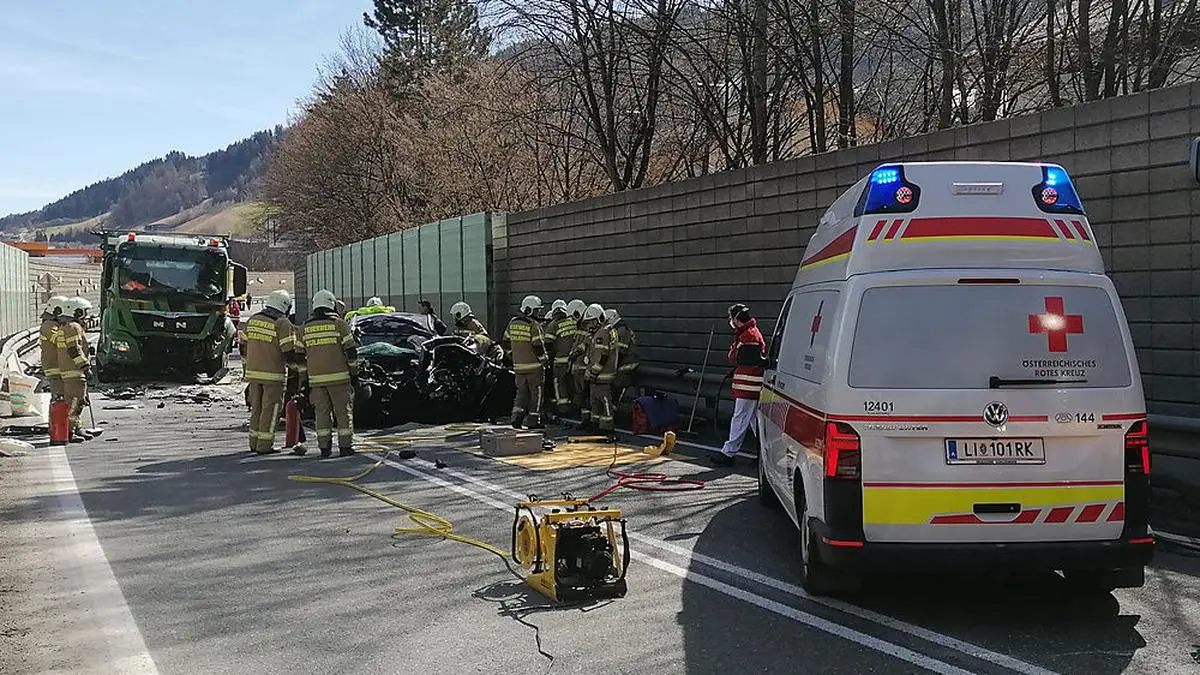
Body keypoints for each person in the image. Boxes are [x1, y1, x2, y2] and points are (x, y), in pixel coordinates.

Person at [298, 290, 360, 457]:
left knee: (322, 414)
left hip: (316, 381)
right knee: (343, 413)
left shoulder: (304, 328)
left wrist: (304, 381)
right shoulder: (339, 324)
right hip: (340, 378)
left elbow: (299, 358)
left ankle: (324, 448)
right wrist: (354, 374)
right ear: (331, 304)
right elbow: (351, 352)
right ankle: (345, 447)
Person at [242, 289, 299, 455]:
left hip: (253, 373)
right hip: (273, 375)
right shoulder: (282, 323)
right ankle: (265, 445)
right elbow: (288, 353)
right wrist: (299, 370)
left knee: (256, 409)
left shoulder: (253, 319)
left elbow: (243, 344)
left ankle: (254, 442)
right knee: (270, 409)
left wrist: (246, 366)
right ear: (285, 306)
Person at [713, 303, 767, 466]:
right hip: (750, 383)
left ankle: (729, 453)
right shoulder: (749, 333)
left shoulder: (748, 336)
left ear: (737, 319)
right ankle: (764, 454)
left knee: (740, 417)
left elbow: (734, 356)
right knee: (752, 420)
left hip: (748, 384)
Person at [501, 295, 548, 429]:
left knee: (521, 393)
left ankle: (516, 418)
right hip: (534, 367)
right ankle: (533, 421)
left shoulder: (512, 323)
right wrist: (545, 361)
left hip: (518, 367)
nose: (539, 313)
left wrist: (513, 357)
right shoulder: (534, 325)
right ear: (531, 310)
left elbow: (505, 342)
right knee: (536, 394)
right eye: (537, 310)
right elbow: (538, 346)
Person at [56, 297, 93, 442]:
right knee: (77, 402)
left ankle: (74, 429)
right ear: (76, 312)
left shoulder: (65, 327)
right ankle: (70, 432)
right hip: (75, 372)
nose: (86, 315)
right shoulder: (73, 327)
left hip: (69, 371)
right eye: (84, 312)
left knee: (74, 402)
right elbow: (74, 350)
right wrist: (85, 366)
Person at [580, 303, 616, 436]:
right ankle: (595, 424)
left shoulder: (602, 333)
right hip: (600, 375)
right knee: (595, 401)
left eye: (590, 322)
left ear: (597, 320)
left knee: (604, 401)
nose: (589, 326)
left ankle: (606, 427)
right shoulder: (606, 331)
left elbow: (602, 356)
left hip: (602, 375)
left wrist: (593, 372)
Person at [546, 299, 576, 417]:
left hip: (560, 361)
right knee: (572, 384)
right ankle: (575, 407)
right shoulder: (573, 322)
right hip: (574, 360)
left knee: (559, 383)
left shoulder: (553, 324)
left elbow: (548, 344)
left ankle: (563, 409)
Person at [606, 308, 639, 408]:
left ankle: (614, 408)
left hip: (627, 363)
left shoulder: (621, 330)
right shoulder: (621, 328)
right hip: (626, 361)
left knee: (617, 384)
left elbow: (621, 351)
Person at [565, 299, 590, 423]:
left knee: (586, 396)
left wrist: (573, 354)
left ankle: (589, 420)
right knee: (582, 395)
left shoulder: (589, 325)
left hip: (585, 368)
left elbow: (584, 345)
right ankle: (584, 419)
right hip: (578, 368)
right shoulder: (581, 325)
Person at [40, 295, 68, 400]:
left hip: (59, 365)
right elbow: (58, 340)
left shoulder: (54, 324)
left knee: (63, 396)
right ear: (57, 311)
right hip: (54, 367)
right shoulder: (49, 325)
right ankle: (58, 416)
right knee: (59, 397)